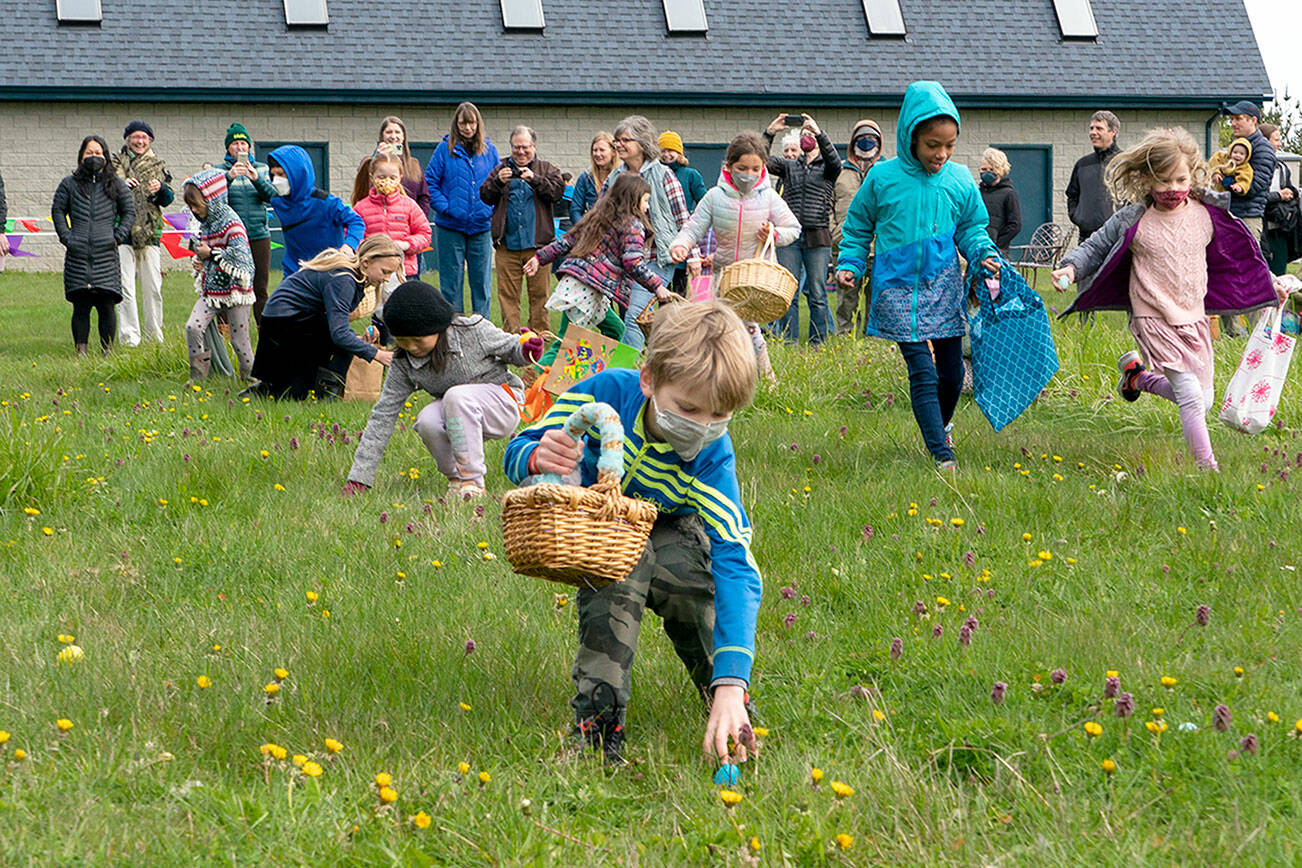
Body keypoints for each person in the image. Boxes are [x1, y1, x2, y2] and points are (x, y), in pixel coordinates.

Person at [503, 300, 763, 767]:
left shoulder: (711, 457)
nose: (701, 428)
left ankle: (728, 707)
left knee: (691, 587)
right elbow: (519, 447)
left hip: (671, 524)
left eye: (718, 416)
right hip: (602, 524)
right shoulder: (604, 392)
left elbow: (735, 562)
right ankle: (598, 736)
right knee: (618, 577)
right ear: (649, 380)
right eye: (687, 408)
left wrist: (733, 683)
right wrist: (538, 458)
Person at [1053, 127, 1280, 471]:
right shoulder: (1134, 219)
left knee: (1202, 402)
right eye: (1162, 181)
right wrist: (1070, 268)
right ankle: (1207, 468)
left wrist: (1272, 283)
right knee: (1189, 395)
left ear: (1193, 175)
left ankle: (1137, 377)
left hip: (1194, 317)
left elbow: (1242, 257)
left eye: (1179, 180)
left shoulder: (1208, 215)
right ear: (1146, 180)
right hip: (1153, 318)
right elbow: (1096, 246)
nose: (1172, 189)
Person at [835, 81, 1001, 472]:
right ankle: (941, 454)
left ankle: (941, 425)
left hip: (943, 285)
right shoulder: (882, 179)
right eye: (932, 145)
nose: (941, 154)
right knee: (922, 370)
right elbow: (858, 227)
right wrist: (851, 264)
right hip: (895, 288)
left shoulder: (959, 181)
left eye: (949, 146)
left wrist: (983, 254)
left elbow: (973, 228)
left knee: (953, 372)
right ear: (911, 136)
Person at [342, 280, 543, 501]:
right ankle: (457, 479)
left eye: (418, 340)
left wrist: (527, 349)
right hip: (458, 414)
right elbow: (383, 415)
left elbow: (512, 348)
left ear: (438, 327)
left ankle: (473, 483)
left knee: (455, 396)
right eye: (402, 341)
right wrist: (359, 477)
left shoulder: (472, 330)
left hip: (502, 404)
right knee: (426, 420)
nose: (411, 347)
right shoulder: (404, 362)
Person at [669, 132, 800, 382]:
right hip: (724, 275)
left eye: (755, 168)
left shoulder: (769, 197)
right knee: (715, 327)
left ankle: (765, 380)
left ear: (763, 168)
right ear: (728, 166)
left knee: (750, 329)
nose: (748, 174)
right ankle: (722, 377)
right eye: (742, 168)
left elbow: (794, 229)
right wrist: (681, 246)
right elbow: (692, 228)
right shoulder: (714, 197)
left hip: (755, 278)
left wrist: (774, 233)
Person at [247, 235, 403, 399]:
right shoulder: (344, 280)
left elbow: (335, 326)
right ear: (366, 263)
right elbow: (339, 334)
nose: (386, 279)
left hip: (294, 321)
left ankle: (325, 393)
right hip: (284, 325)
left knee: (347, 345)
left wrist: (359, 341)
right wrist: (378, 354)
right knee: (292, 394)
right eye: (385, 272)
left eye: (390, 274)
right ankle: (314, 393)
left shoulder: (350, 276)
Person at [526, 173, 672, 339]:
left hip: (582, 283)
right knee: (566, 340)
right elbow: (632, 262)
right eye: (646, 200)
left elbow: (567, 241)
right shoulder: (633, 225)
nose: (648, 206)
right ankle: (538, 366)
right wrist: (657, 286)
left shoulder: (600, 216)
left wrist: (539, 258)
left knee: (616, 330)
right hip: (584, 288)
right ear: (633, 199)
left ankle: (608, 365)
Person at [605, 115, 693, 349]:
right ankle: (661, 359)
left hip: (657, 259)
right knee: (626, 319)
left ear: (642, 143)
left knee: (634, 316)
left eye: (625, 140)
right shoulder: (614, 178)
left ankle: (626, 372)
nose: (619, 144)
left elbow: (683, 218)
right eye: (616, 140)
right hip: (625, 262)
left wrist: (692, 257)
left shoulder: (664, 175)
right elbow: (600, 216)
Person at [52, 135, 135, 356]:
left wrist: (117, 236)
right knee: (81, 306)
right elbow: (58, 211)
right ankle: (81, 351)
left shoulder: (116, 184)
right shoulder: (68, 184)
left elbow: (129, 212)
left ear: (105, 156)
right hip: (77, 253)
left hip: (106, 253)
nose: (94, 157)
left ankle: (107, 351)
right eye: (89, 153)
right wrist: (67, 237)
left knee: (107, 305)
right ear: (81, 156)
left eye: (98, 153)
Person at [479, 125, 565, 334]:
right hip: (507, 246)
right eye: (516, 147)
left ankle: (540, 339)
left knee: (540, 297)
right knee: (508, 297)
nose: (520, 152)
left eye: (525, 147)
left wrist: (534, 179)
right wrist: (498, 182)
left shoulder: (546, 168)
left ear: (534, 146)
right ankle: (511, 340)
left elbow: (557, 192)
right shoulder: (500, 169)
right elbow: (484, 195)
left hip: (538, 248)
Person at [764, 113, 841, 344]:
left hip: (818, 237)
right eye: (804, 135)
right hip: (791, 236)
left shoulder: (827, 168)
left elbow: (836, 162)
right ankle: (790, 341)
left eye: (811, 136)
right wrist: (770, 132)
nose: (807, 138)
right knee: (789, 292)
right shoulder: (788, 166)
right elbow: (761, 160)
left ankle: (818, 343)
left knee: (817, 293)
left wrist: (819, 132)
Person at [425, 102, 500, 317]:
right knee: (450, 285)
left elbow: (497, 183)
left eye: (471, 123)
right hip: (450, 227)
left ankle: (482, 331)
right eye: (463, 123)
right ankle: (453, 330)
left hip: (481, 227)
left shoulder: (489, 150)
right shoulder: (444, 150)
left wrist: (490, 209)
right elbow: (430, 181)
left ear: (478, 124)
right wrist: (445, 207)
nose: (467, 128)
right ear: (456, 125)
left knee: (482, 285)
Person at [181, 168, 256, 381]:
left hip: (236, 291)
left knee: (239, 340)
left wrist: (211, 254)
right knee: (193, 327)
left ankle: (251, 379)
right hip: (212, 288)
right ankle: (197, 378)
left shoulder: (232, 223)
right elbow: (206, 250)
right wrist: (200, 260)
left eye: (196, 204)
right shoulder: (206, 223)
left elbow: (242, 259)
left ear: (211, 198)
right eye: (190, 206)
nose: (194, 210)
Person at [112, 120, 173, 346]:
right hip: (123, 231)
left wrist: (162, 189)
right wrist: (122, 185)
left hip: (150, 232)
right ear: (128, 139)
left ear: (150, 141)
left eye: (144, 137)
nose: (139, 141)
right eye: (135, 137)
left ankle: (154, 336)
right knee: (125, 286)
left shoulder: (159, 165)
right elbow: (108, 191)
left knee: (153, 287)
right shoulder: (116, 163)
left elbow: (168, 200)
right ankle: (130, 338)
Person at [1220, 101, 1276, 334]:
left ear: (1253, 120)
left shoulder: (1262, 149)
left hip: (1248, 218)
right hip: (1229, 216)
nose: (1233, 123)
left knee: (1250, 273)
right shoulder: (1237, 146)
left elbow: (1257, 185)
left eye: (1238, 118)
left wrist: (1227, 182)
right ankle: (1232, 330)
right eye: (1231, 119)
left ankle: (1263, 331)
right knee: (1224, 270)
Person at [265, 145, 364, 277]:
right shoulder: (278, 202)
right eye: (273, 175)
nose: (276, 180)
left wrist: (349, 245)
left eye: (281, 174)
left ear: (297, 173)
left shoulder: (326, 202)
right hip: (295, 271)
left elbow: (356, 221)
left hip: (329, 270)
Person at [219, 123, 277, 323]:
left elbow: (272, 196)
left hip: (258, 234)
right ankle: (224, 334)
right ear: (228, 148)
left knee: (260, 287)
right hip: (230, 237)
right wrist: (228, 177)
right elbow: (212, 199)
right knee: (227, 286)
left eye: (244, 143)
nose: (240, 148)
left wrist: (256, 178)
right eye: (235, 144)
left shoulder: (262, 168)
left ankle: (264, 333)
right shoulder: (220, 171)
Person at [831, 119, 884, 335]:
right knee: (846, 302)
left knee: (876, 302)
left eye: (872, 139)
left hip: (877, 250)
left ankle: (872, 345)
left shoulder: (885, 172)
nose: (867, 143)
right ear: (853, 142)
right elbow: (828, 204)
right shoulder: (839, 171)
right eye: (862, 139)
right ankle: (844, 343)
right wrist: (834, 232)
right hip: (844, 247)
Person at [353, 148, 432, 281]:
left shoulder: (409, 205)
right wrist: (370, 248)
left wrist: (406, 244)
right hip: (371, 274)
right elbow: (352, 236)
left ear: (400, 178)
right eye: (381, 177)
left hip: (404, 272)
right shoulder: (361, 208)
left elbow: (424, 234)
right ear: (372, 177)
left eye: (392, 177)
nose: (387, 181)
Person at [657, 131, 707, 297]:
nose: (667, 154)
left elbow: (704, 202)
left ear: (679, 153)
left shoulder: (690, 175)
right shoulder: (656, 174)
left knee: (679, 289)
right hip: (662, 238)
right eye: (663, 151)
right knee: (662, 290)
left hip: (682, 234)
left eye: (671, 150)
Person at [351, 116, 431, 218]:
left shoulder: (413, 164)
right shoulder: (369, 162)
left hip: (407, 221)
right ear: (382, 136)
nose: (393, 136)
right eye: (389, 132)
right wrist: (377, 157)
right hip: (377, 218)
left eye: (397, 132)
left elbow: (424, 197)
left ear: (403, 136)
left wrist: (419, 220)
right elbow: (362, 188)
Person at [1066, 110, 1121, 243]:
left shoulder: (1124, 163)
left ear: (1113, 132)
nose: (1093, 132)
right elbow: (1072, 195)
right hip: (1086, 238)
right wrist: (1078, 217)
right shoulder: (1082, 164)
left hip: (1117, 238)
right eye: (1091, 128)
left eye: (1099, 128)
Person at [1260, 123, 1300, 276]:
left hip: (1281, 229)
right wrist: (1278, 196)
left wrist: (1290, 192)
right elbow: (1253, 197)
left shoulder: (1282, 168)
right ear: (1264, 141)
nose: (1280, 143)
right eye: (1276, 139)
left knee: (1280, 275)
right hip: (1261, 230)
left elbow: (1289, 189)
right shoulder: (1250, 167)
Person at [978, 147, 1022, 255]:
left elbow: (1015, 225)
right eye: (984, 169)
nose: (987, 173)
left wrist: (997, 243)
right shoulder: (977, 193)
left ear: (1000, 170)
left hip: (997, 250)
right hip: (978, 246)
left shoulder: (1008, 194)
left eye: (991, 170)